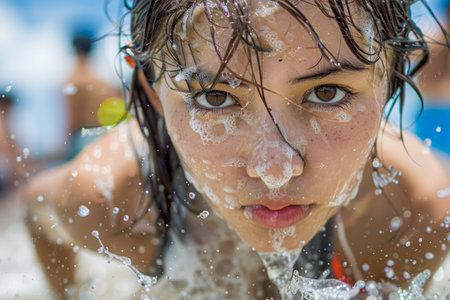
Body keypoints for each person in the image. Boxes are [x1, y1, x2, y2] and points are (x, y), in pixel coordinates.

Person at [25, 0, 450, 299]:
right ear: (153, 96)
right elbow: (35, 215)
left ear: (390, 81)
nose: (275, 168)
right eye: (214, 97)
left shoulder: (414, 216)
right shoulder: (107, 202)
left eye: (326, 91)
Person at [62, 33, 122, 161]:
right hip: (102, 136)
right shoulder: (102, 82)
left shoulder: (73, 81)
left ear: (73, 48)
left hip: (81, 138)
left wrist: (66, 146)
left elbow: (72, 119)